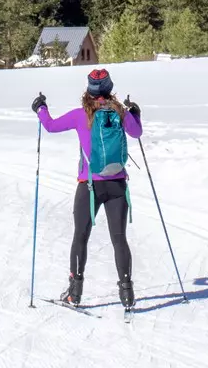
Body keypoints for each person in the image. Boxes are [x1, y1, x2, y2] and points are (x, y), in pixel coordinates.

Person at [33, 68, 142, 308]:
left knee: (80, 236)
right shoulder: (120, 113)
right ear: (110, 89)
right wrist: (136, 113)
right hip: (118, 185)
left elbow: (50, 126)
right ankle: (127, 294)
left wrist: (40, 108)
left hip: (90, 186)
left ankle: (74, 293)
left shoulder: (80, 115)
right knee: (119, 239)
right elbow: (137, 132)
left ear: (89, 90)